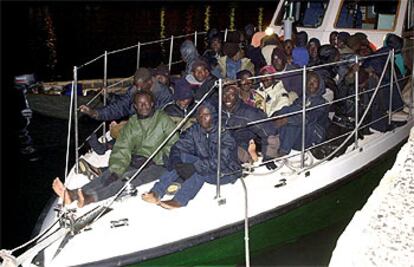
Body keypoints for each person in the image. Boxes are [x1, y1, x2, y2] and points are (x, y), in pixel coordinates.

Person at [52, 91, 179, 208]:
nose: (143, 106)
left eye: (146, 103)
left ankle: (89, 198)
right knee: (110, 175)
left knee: (127, 179)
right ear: (135, 106)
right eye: (140, 104)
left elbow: (174, 144)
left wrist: (157, 159)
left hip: (160, 164)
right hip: (138, 160)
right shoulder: (132, 123)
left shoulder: (163, 120)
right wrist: (116, 169)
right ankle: (73, 194)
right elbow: (122, 147)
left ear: (152, 104)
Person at [142, 102, 241, 209]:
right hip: (205, 161)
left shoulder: (225, 133)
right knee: (181, 157)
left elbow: (222, 160)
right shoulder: (195, 130)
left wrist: (194, 167)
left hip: (226, 171)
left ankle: (180, 200)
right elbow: (178, 147)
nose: (203, 118)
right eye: (200, 115)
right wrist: (177, 162)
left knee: (200, 170)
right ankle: (157, 192)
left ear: (214, 116)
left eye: (206, 115)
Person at [79, 68, 173, 121]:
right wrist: (95, 113)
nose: (138, 89)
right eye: (136, 86)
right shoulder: (134, 89)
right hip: (134, 125)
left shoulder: (165, 95)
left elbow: (162, 120)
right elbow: (120, 107)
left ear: (150, 82)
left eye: (141, 87)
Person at [222, 84, 280, 168]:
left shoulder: (248, 113)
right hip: (224, 144)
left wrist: (269, 157)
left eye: (231, 95)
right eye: (224, 95)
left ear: (238, 97)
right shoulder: (218, 112)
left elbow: (269, 131)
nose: (227, 98)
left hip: (243, 145)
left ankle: (250, 157)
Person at [275, 71, 329, 156]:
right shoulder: (303, 98)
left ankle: (283, 151)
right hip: (299, 135)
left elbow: (310, 118)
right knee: (289, 109)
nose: (311, 84)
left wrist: (287, 120)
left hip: (313, 135)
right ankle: (273, 137)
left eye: (315, 82)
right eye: (309, 81)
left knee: (294, 121)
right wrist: (278, 116)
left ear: (320, 84)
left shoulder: (322, 102)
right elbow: (289, 109)